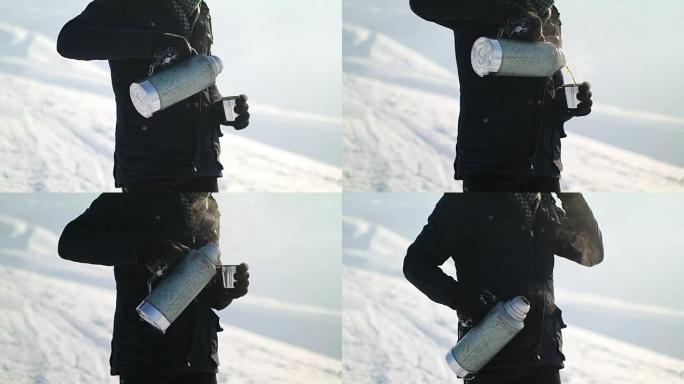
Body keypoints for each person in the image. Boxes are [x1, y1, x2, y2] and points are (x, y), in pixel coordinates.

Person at [403, 193, 603, 383]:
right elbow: (416, 263)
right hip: (490, 354)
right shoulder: (465, 200)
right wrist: (461, 298)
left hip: (543, 359)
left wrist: (569, 196)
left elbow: (591, 252)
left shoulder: (544, 204)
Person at [57, 0, 250, 192]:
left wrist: (218, 108)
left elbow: (205, 79)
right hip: (150, 165)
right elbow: (70, 40)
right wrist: (154, 43)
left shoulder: (202, 11)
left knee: (203, 222)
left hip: (202, 166)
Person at [58, 193, 249, 384]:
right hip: (146, 358)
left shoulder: (208, 205)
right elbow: (70, 243)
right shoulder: (126, 202)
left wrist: (226, 291)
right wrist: (144, 250)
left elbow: (207, 291)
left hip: (200, 361)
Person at [409, 0, 593, 192]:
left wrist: (563, 104)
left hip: (544, 169)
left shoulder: (550, 12)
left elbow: (547, 74)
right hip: (490, 165)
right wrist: (508, 13)